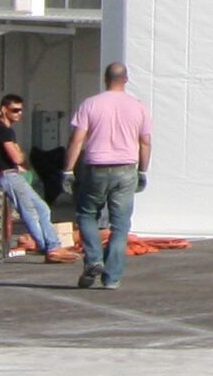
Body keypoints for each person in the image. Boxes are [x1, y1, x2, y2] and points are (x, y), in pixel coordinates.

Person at [62, 61, 153, 290]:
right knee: (120, 224)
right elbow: (145, 142)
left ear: (105, 79)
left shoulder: (90, 104)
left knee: (86, 214)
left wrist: (68, 170)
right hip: (126, 169)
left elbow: (77, 140)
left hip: (96, 168)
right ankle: (111, 278)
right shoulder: (138, 107)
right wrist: (143, 170)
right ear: (126, 79)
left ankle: (94, 259)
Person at [0, 96, 64, 262]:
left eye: (21, 110)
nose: (19, 114)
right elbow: (16, 157)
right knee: (30, 212)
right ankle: (48, 248)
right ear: (3, 110)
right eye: (15, 110)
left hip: (12, 175)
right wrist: (22, 156)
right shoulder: (2, 130)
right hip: (9, 175)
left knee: (42, 209)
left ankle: (52, 245)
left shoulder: (1, 130)